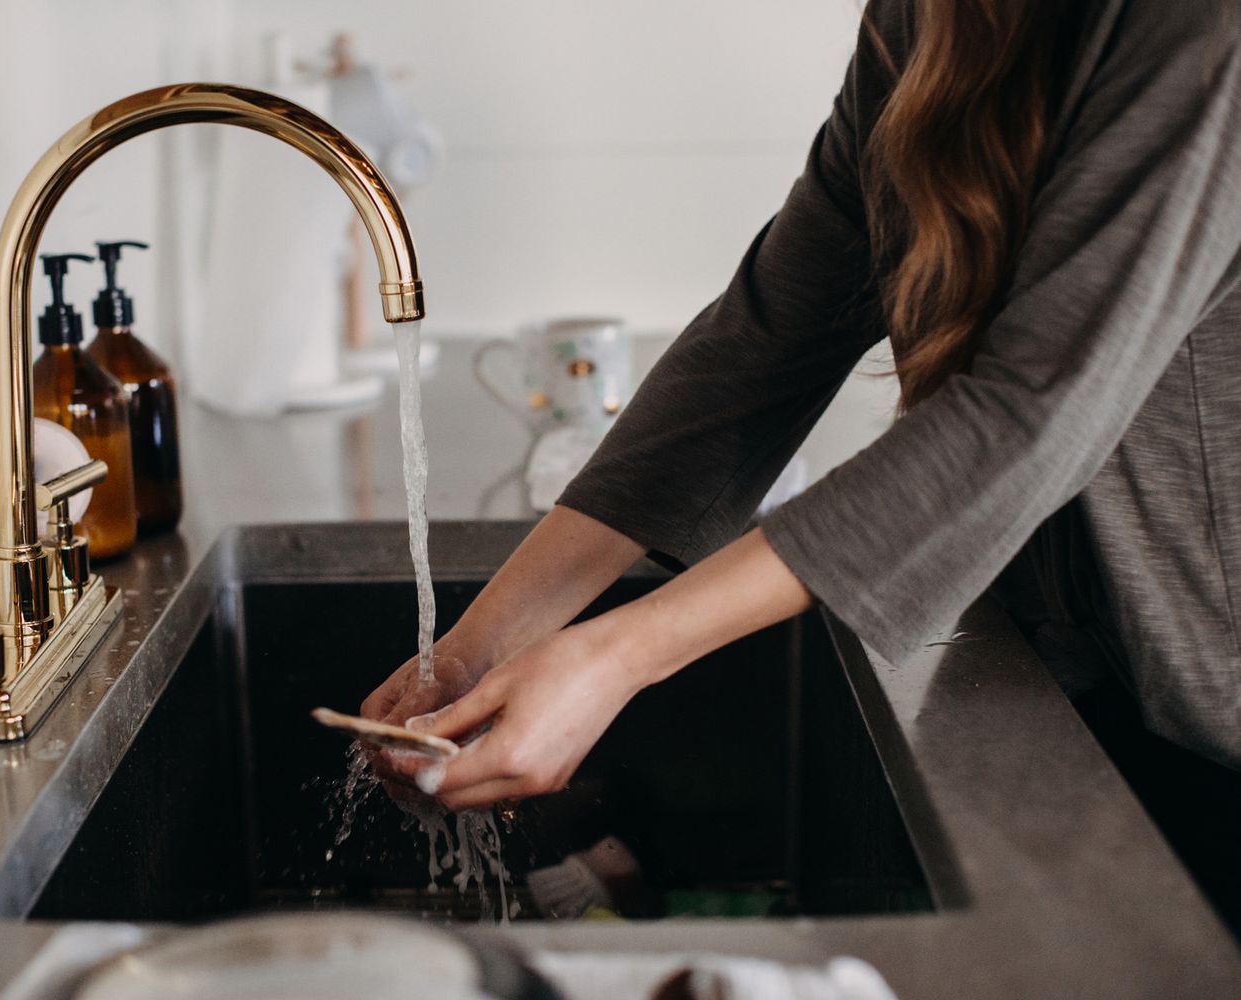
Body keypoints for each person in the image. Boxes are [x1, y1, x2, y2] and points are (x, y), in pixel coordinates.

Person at [364, 0, 1241, 929]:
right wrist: (477, 648)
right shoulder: (927, 20)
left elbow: (1029, 411)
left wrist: (610, 659)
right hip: (1068, 678)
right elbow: (764, 342)